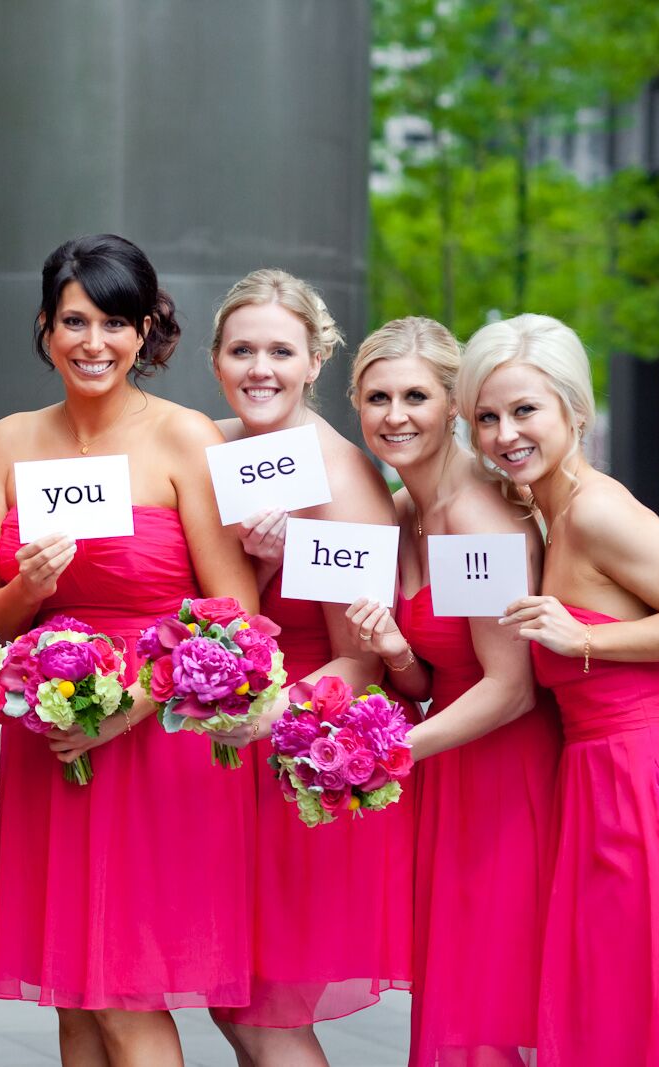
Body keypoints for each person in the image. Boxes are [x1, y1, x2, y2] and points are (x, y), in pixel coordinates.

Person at [0, 233, 259, 1067]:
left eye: (114, 322)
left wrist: (126, 712)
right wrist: (27, 589)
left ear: (144, 333)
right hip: (51, 732)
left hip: (154, 734)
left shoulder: (185, 437)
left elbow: (234, 613)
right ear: (44, 327)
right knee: (74, 1000)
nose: (92, 342)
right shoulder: (9, 440)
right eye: (74, 321)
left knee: (127, 995)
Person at [462, 314, 659, 1067]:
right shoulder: (547, 511)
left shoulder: (598, 510)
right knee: (622, 1013)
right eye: (487, 416)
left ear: (574, 409)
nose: (506, 433)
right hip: (602, 784)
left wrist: (588, 639)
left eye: (525, 410)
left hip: (652, 787)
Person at [200, 268, 413, 1066]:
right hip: (221, 752)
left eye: (281, 350)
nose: (262, 367)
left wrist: (269, 716)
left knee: (265, 1015)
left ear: (316, 359)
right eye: (244, 348)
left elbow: (360, 660)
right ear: (217, 358)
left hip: (292, 755)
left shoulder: (342, 478)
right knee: (235, 1006)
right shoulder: (211, 445)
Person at [343, 317, 560, 1066]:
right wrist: (398, 654)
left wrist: (388, 754)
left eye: (416, 396)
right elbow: (434, 675)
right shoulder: (404, 513)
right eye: (377, 397)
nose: (394, 415)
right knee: (461, 1000)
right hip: (450, 768)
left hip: (502, 776)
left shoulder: (476, 519)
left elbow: (510, 689)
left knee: (492, 1005)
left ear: (455, 407)